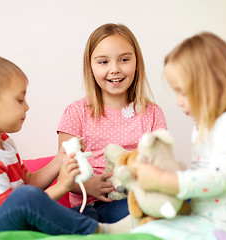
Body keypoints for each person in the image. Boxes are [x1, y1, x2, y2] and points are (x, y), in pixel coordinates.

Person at [0, 54, 104, 235]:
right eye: (20, 100)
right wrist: (61, 186)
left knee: (87, 212)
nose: (27, 107)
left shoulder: (4, 143)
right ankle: (102, 232)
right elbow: (18, 209)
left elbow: (28, 183)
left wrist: (60, 158)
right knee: (26, 198)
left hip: (11, 217)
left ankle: (93, 228)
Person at [129, 32, 226, 240]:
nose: (178, 101)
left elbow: (219, 178)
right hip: (205, 219)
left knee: (152, 233)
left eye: (182, 92)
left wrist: (162, 180)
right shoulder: (204, 125)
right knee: (146, 229)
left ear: (214, 84)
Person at [57, 23, 167, 223]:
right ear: (90, 66)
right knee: (135, 212)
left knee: (182, 198)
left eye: (124, 60)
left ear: (137, 63)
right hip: (93, 205)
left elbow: (162, 164)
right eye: (103, 62)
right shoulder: (77, 112)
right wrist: (89, 187)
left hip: (140, 195)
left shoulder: (152, 113)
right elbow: (63, 170)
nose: (115, 69)